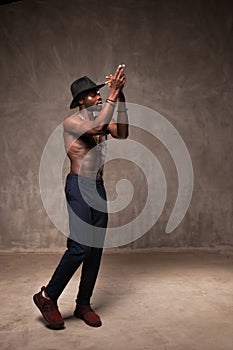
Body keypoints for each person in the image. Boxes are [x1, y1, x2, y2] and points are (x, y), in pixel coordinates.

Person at [33, 64, 128, 329]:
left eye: (99, 92)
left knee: (95, 250)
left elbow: (122, 132)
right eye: (92, 94)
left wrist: (120, 96)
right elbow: (97, 126)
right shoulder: (72, 122)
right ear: (80, 100)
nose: (98, 95)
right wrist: (113, 93)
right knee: (79, 247)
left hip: (98, 188)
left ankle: (83, 304)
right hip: (79, 186)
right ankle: (48, 296)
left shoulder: (103, 115)